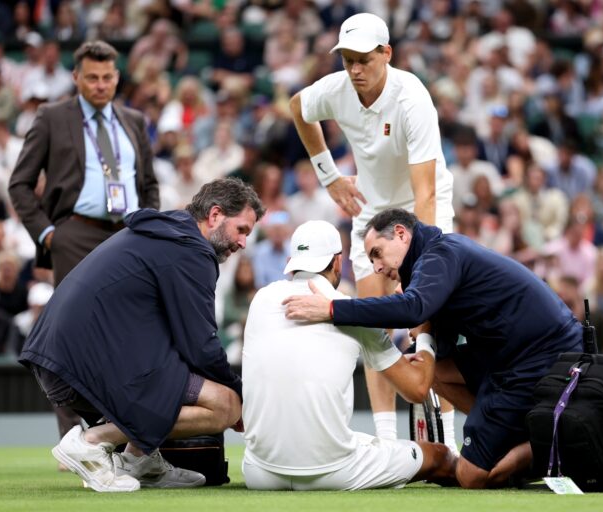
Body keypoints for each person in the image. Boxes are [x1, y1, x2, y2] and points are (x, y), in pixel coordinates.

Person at [283, 208, 582, 489]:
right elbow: (437, 342)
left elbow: (413, 308)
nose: (377, 268)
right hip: (512, 353)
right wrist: (424, 334)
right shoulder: (433, 259)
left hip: (540, 355)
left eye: (377, 253)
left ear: (401, 234)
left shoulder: (440, 253)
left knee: (470, 476)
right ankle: (507, 437)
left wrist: (333, 309)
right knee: (432, 371)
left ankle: (547, 442)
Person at [18, 178, 264, 492]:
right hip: (78, 365)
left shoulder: (168, 233)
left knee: (180, 370)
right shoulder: (190, 250)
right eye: (241, 230)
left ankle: (138, 460)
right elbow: (201, 346)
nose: (243, 243)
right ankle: (90, 442)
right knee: (226, 405)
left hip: (57, 359)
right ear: (215, 215)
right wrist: (241, 395)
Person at [288, 12, 456, 448]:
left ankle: (448, 443)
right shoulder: (337, 88)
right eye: (348, 60)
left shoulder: (412, 99)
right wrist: (329, 176)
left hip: (425, 208)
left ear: (387, 54)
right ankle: (385, 441)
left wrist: (420, 268)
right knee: (373, 325)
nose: (355, 69)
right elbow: (298, 107)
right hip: (371, 212)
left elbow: (425, 195)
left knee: (431, 322)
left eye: (364, 59)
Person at [8, 39, 160, 443]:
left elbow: (148, 184)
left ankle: (121, 432)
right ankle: (72, 434)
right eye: (92, 77)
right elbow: (20, 184)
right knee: (74, 333)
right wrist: (49, 235)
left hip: (129, 233)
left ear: (117, 77)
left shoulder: (133, 120)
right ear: (75, 77)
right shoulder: (52, 116)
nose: (100, 85)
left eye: (107, 77)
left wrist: (150, 228)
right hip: (75, 232)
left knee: (130, 329)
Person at [242, 220, 456, 490]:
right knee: (440, 455)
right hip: (334, 472)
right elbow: (417, 389)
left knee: (358, 438)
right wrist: (425, 333)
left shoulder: (260, 300)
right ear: (337, 263)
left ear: (291, 263)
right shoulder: (352, 312)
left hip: (259, 472)